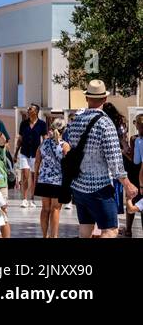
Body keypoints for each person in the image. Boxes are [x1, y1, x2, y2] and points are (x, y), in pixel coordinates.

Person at [61, 79, 138, 239]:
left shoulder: (75, 123)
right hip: (99, 187)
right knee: (110, 230)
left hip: (78, 186)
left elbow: (68, 149)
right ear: (104, 99)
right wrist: (127, 184)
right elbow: (114, 158)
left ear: (87, 98)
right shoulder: (105, 123)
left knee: (85, 230)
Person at [31, 116, 66, 238]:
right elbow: (68, 165)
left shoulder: (43, 144)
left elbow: (37, 162)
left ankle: (44, 235)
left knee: (45, 209)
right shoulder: (64, 146)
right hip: (58, 182)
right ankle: (54, 236)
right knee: (55, 209)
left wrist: (36, 178)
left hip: (43, 180)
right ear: (64, 129)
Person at [16, 104, 47, 209]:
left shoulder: (42, 124)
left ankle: (32, 199)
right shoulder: (23, 123)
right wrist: (16, 153)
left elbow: (45, 139)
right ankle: (24, 199)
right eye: (28, 108)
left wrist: (44, 154)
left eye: (30, 109)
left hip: (36, 154)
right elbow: (20, 139)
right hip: (24, 152)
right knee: (25, 175)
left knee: (34, 177)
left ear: (36, 111)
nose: (28, 110)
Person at [126, 113, 143, 237]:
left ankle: (128, 230)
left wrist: (123, 151)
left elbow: (136, 161)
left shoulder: (137, 140)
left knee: (134, 202)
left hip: (138, 176)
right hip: (138, 176)